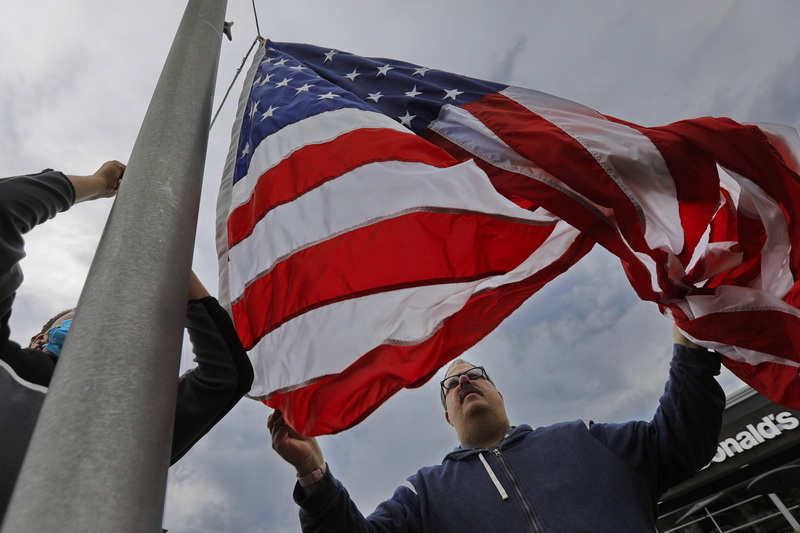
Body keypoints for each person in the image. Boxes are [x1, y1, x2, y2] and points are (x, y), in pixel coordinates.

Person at [269, 326, 725, 532]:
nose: (463, 380)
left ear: (500, 394)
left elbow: (680, 442)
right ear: (448, 415)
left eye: (476, 373)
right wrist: (314, 475)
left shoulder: (584, 439)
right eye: (450, 384)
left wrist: (691, 346)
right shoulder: (424, 496)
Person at [0, 163, 254, 519]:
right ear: (40, 337)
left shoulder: (135, 420)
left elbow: (226, 375)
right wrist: (100, 184)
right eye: (84, 315)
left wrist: (169, 252)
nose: (102, 324)